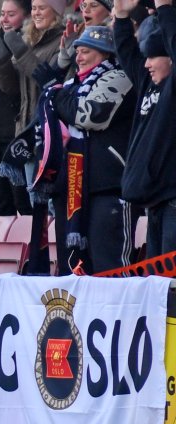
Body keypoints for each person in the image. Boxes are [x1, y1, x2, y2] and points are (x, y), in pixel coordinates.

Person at [39, 25, 138, 273]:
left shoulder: (121, 78)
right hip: (71, 191)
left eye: (84, 51)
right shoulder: (71, 85)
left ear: (105, 53)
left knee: (109, 268)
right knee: (70, 270)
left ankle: (119, 314)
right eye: (77, 52)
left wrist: (57, 92)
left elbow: (87, 115)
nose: (78, 57)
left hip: (108, 188)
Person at [114, 0, 176, 258]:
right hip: (155, 201)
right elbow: (127, 52)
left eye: (153, 57)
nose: (146, 64)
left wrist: (164, 9)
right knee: (156, 284)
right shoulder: (147, 84)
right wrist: (120, 16)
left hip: (172, 199)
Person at [0, 0, 66, 136]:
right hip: (23, 127)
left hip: (48, 125)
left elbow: (49, 82)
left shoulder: (62, 40)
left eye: (42, 8)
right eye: (34, 8)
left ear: (56, 12)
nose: (36, 13)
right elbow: (11, 88)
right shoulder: (27, 40)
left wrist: (23, 54)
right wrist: (1, 63)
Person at [0, 0, 35, 216]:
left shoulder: (31, 43)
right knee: (1, 204)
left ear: (27, 15)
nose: (4, 20)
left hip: (20, 134)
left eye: (11, 14)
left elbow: (15, 89)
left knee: (26, 203)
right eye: (2, 14)